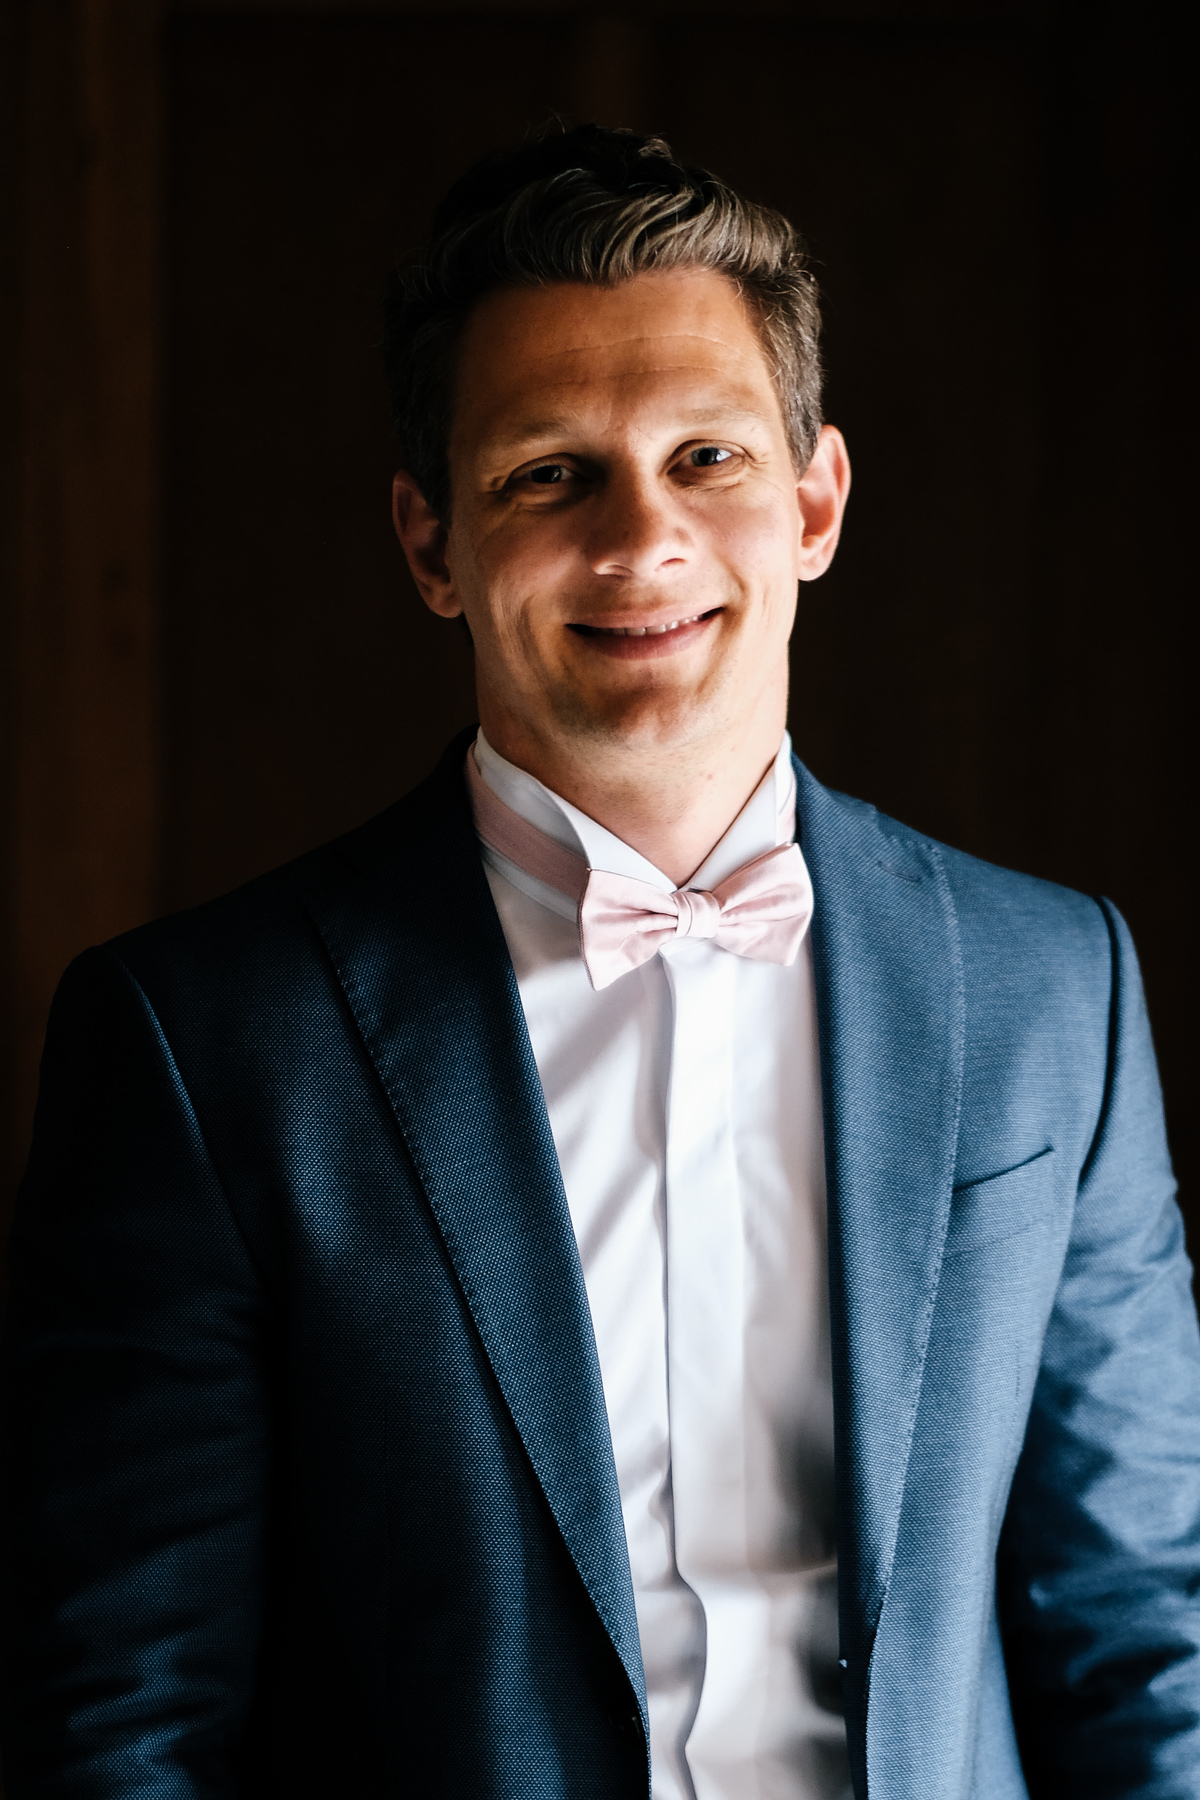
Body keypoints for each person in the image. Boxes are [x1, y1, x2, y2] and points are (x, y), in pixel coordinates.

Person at [2, 124, 1198, 1800]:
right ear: (432, 543)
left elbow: (1147, 1641)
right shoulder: (202, 1044)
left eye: (706, 456)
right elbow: (125, 1721)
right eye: (549, 474)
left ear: (815, 501)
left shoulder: (1057, 984)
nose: (642, 543)